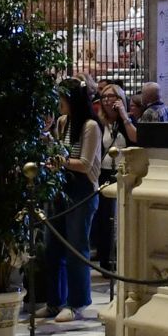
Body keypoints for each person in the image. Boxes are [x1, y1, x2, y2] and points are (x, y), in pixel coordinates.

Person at [42, 82, 102, 322]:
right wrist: (47, 139)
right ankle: (53, 301)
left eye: (62, 98)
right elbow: (58, 151)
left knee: (76, 247)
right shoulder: (62, 123)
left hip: (82, 191)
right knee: (52, 245)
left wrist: (60, 162)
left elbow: (85, 163)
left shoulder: (90, 126)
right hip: (61, 188)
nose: (59, 103)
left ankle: (76, 302)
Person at [91, 82, 136, 271]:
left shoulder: (126, 122)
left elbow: (135, 138)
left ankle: (121, 257)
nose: (108, 101)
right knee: (104, 219)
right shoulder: (97, 123)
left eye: (113, 97)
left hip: (123, 173)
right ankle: (106, 259)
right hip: (104, 174)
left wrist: (124, 116)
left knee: (121, 218)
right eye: (105, 97)